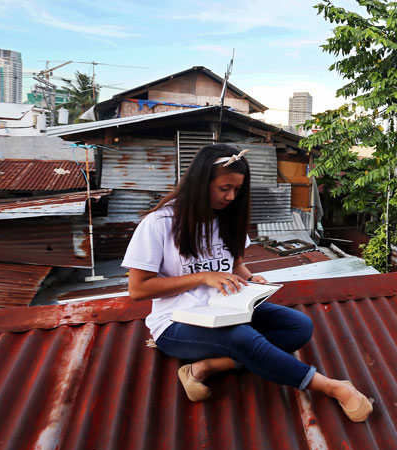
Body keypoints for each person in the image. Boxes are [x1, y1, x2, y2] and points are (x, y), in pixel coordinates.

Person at [123, 143, 372, 421]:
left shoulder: (226, 219)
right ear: (200, 183)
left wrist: (251, 279)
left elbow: (235, 264)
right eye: (224, 188)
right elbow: (138, 289)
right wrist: (203, 277)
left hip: (226, 310)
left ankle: (206, 367)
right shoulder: (160, 223)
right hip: (176, 323)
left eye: (237, 189)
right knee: (242, 337)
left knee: (298, 326)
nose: (231, 196)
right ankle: (332, 386)